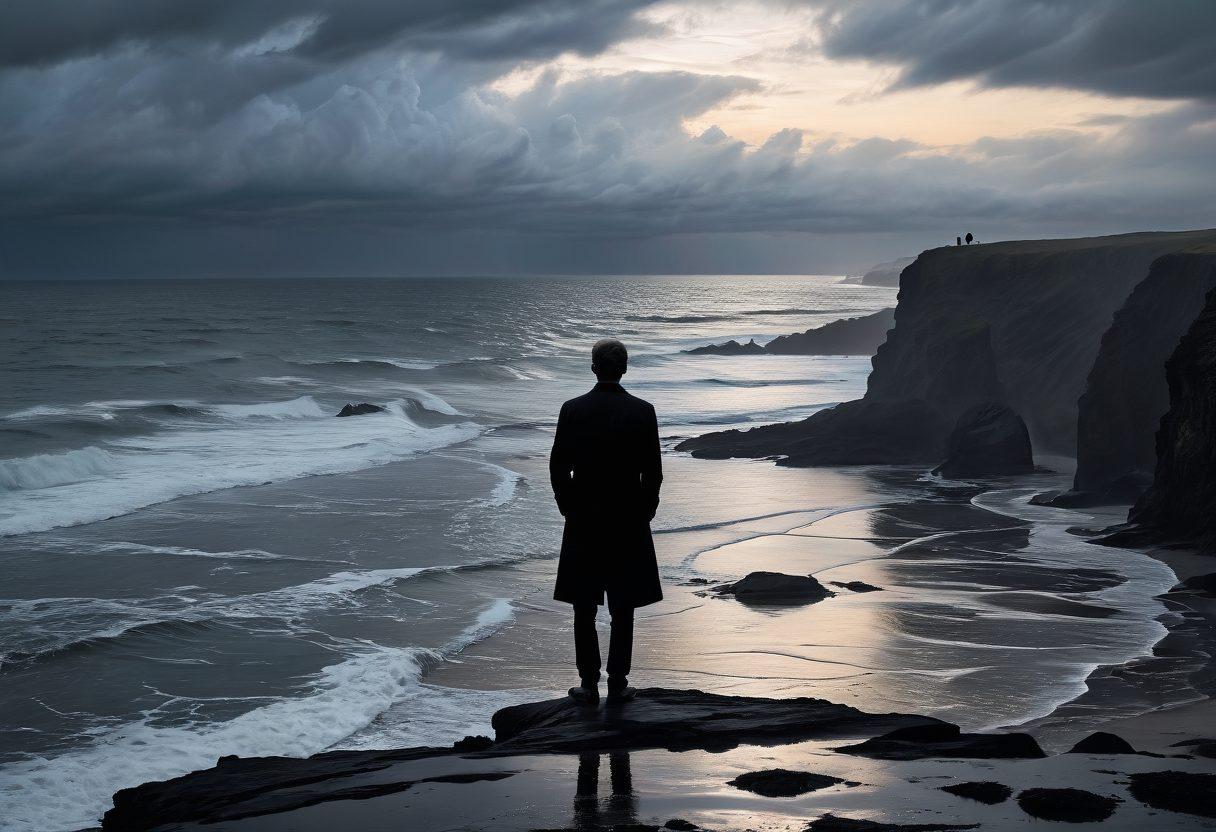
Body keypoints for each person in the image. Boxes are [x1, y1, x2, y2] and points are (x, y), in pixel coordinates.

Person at [549, 338, 663, 705]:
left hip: (584, 517)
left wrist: (567, 506)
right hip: (628, 517)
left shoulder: (572, 409)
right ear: (624, 368)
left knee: (583, 605)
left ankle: (588, 683)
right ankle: (618, 681)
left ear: (593, 367)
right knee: (623, 606)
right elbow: (653, 471)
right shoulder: (643, 411)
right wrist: (646, 510)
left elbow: (558, 466)